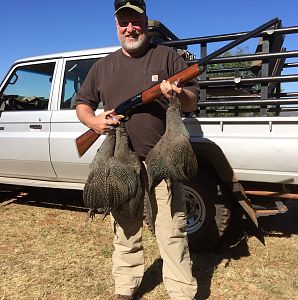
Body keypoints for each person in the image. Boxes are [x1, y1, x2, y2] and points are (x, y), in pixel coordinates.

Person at [75, 1, 199, 299]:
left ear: (145, 20)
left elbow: (193, 100)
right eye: (124, 22)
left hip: (165, 160)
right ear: (117, 25)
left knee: (172, 231)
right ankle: (125, 288)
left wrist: (178, 95)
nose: (130, 28)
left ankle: (181, 292)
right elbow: (83, 104)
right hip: (120, 164)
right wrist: (94, 122)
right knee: (125, 230)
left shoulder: (168, 56)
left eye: (135, 21)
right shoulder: (104, 66)